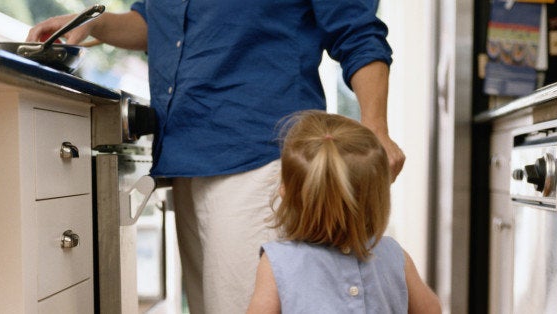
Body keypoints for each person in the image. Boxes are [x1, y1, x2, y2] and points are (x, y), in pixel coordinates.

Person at [27, 1, 406, 313]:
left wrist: (376, 125)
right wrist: (94, 24)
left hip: (261, 154)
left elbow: (356, 30)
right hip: (187, 154)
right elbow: (154, 22)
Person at [246, 110, 440, 314]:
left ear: (285, 191)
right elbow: (432, 309)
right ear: (377, 200)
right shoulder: (393, 255)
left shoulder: (279, 261)